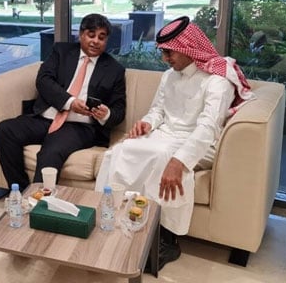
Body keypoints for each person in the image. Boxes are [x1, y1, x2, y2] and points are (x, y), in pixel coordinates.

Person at [95, 16, 254, 271]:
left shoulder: (217, 81)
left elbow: (208, 128)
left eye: (169, 52)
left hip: (200, 143)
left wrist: (179, 162)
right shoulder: (169, 76)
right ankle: (116, 220)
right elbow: (158, 110)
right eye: (163, 52)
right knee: (120, 151)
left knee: (160, 157)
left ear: (187, 47)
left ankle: (165, 239)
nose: (165, 59)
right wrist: (146, 124)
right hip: (165, 135)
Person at [0, 13, 126, 193]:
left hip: (79, 127)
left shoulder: (115, 70)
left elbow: (119, 110)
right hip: (46, 117)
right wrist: (70, 102)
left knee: (51, 152)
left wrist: (106, 114)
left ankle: (39, 202)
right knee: (4, 131)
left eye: (101, 37)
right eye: (91, 35)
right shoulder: (62, 52)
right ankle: (23, 192)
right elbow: (43, 80)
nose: (96, 41)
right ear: (81, 35)